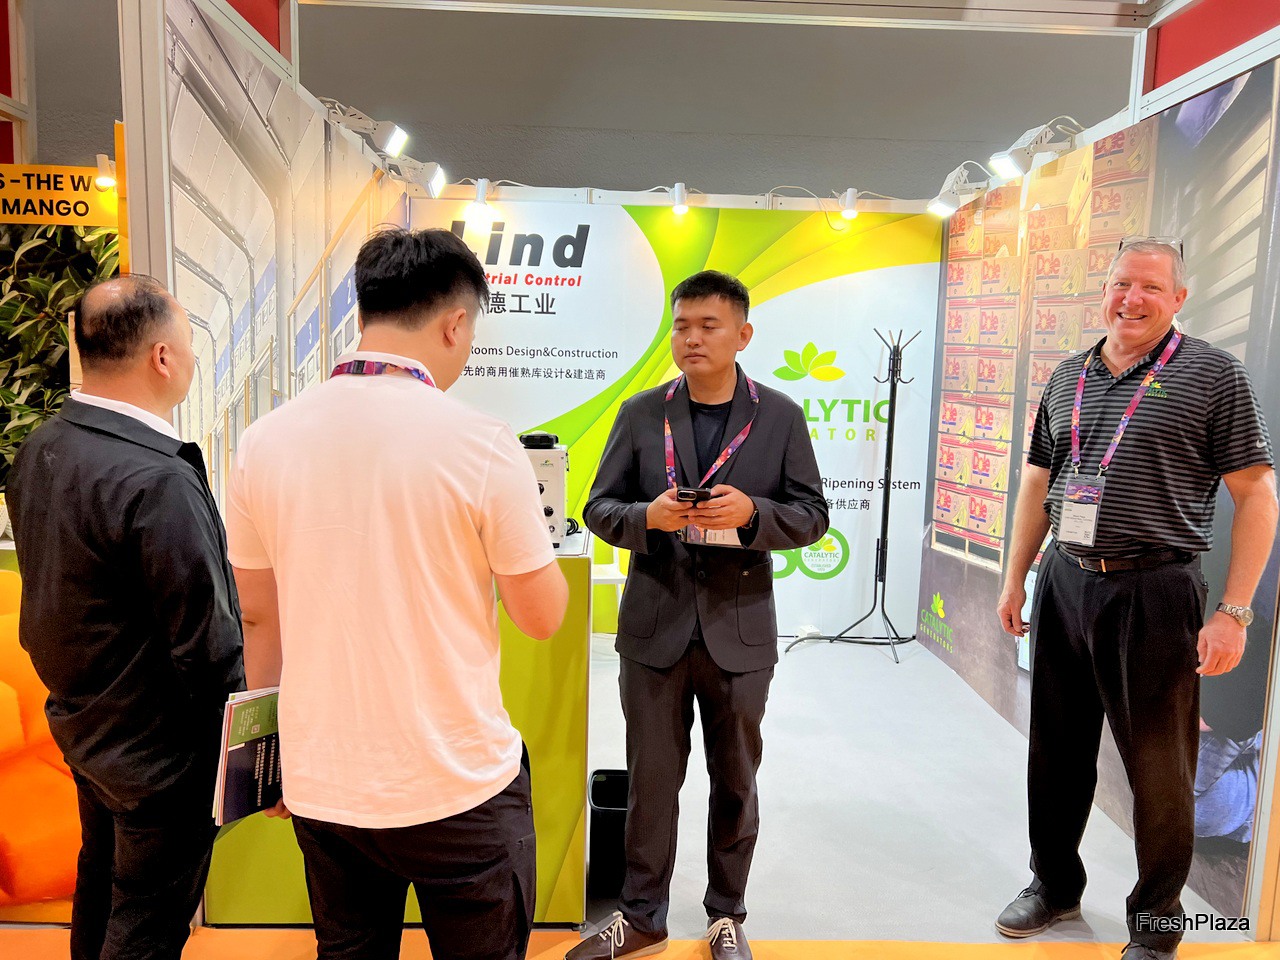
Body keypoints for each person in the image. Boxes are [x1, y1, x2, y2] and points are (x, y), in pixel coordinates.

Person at [225, 227, 568, 960]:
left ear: (365, 311)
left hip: (324, 782)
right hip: (456, 783)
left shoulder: (264, 440)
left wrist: (267, 756)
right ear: (455, 323)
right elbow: (542, 617)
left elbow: (258, 614)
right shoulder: (482, 442)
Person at [994, 238, 1278, 960]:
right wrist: (1015, 574)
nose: (1133, 298)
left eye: (1151, 286)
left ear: (1179, 298)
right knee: (1056, 750)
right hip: (1066, 577)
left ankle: (1155, 923)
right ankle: (1054, 884)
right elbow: (1038, 482)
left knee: (1159, 766)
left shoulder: (1214, 375)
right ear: (1105, 291)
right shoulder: (1069, 374)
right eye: (1122, 283)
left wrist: (1234, 612)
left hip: (1156, 588)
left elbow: (1257, 495)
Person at [574, 270, 829, 960]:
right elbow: (598, 507)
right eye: (681, 325)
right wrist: (646, 517)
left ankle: (726, 915)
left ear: (742, 334)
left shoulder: (780, 416)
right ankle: (641, 916)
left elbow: (812, 516)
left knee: (736, 780)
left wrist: (753, 515)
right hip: (654, 626)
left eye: (707, 325)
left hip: (738, 630)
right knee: (651, 782)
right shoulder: (641, 413)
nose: (691, 338)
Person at [8, 275, 245, 960]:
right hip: (160, 757)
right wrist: (249, 756)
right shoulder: (158, 478)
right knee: (145, 922)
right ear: (162, 357)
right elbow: (206, 646)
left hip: (87, 729)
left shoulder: (42, 448)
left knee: (102, 884)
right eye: (190, 342)